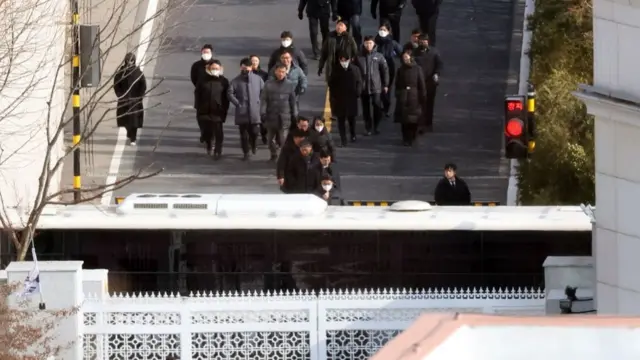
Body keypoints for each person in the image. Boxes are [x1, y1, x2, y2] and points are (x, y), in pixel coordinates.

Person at [228, 58, 265, 160]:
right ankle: (246, 152)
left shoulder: (258, 79)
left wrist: (260, 103)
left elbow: (264, 92)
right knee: (243, 134)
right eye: (244, 67)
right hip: (242, 111)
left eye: (248, 67)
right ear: (241, 67)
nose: (246, 69)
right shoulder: (236, 81)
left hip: (255, 111)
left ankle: (253, 144)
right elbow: (230, 93)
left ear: (251, 67)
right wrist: (237, 103)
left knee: (255, 131)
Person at [261, 64, 298, 161]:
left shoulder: (290, 85)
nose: (281, 74)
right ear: (275, 72)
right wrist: (262, 112)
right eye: (279, 71)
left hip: (284, 116)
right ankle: (273, 153)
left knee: (283, 140)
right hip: (271, 116)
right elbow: (264, 100)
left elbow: (293, 102)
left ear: (286, 72)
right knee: (269, 140)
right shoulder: (268, 84)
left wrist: (295, 115)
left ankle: (284, 157)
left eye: (283, 72)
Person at [194, 60, 230, 159]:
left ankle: (218, 150)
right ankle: (209, 144)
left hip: (218, 111)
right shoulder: (202, 80)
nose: (215, 70)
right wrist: (198, 107)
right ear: (208, 69)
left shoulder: (224, 81)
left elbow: (226, 98)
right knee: (207, 131)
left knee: (218, 132)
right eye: (213, 68)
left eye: (217, 69)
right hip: (204, 111)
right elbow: (197, 94)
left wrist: (224, 110)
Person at [357, 36, 389, 135]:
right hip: (363, 87)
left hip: (376, 86)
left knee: (377, 106)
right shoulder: (358, 56)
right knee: (365, 109)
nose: (368, 45)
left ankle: (376, 126)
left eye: (370, 43)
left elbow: (385, 71)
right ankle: (368, 127)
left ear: (374, 44)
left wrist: (386, 84)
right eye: (366, 43)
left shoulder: (379, 56)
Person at [329, 53, 362, 146]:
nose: (344, 62)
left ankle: (353, 134)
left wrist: (358, 92)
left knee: (352, 118)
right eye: (342, 60)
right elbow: (331, 84)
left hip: (351, 98)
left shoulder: (355, 69)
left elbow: (359, 81)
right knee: (341, 120)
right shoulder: (336, 70)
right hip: (340, 99)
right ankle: (343, 139)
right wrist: (334, 96)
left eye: (345, 60)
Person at [114, 52, 147, 146]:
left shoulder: (138, 73)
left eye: (131, 61)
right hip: (124, 100)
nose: (129, 63)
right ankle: (129, 133)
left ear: (134, 61)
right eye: (128, 61)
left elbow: (143, 85)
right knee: (126, 120)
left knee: (134, 121)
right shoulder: (121, 73)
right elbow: (116, 85)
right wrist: (120, 95)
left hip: (135, 101)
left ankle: (133, 138)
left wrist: (139, 96)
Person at [412, 33, 442, 133]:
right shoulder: (415, 53)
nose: (422, 43)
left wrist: (436, 74)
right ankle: (420, 124)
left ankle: (428, 123)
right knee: (419, 104)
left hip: (430, 83)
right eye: (420, 41)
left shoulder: (434, 52)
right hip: (419, 83)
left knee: (429, 104)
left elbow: (439, 64)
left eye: (424, 41)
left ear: (427, 41)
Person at [394, 51, 426, 146]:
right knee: (404, 120)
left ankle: (412, 136)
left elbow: (421, 85)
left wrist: (422, 97)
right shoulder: (400, 70)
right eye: (404, 57)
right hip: (403, 96)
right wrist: (398, 94)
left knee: (413, 119)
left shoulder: (417, 69)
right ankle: (405, 138)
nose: (405, 59)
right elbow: (397, 84)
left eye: (407, 57)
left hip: (414, 97)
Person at [375, 22, 403, 116]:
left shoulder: (392, 43)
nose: (382, 32)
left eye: (384, 30)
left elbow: (402, 53)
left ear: (388, 31)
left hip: (389, 68)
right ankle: (380, 107)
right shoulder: (375, 42)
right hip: (377, 68)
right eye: (381, 29)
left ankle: (386, 107)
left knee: (387, 88)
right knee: (378, 88)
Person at [250, 54, 269, 144]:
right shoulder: (247, 73)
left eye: (256, 61)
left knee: (263, 120)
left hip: (262, 100)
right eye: (252, 61)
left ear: (259, 62)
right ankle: (253, 138)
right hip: (251, 100)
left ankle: (264, 135)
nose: (254, 63)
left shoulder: (264, 74)